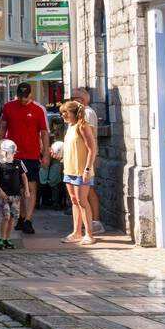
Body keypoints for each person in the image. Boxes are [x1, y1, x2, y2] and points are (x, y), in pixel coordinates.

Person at [0, 82, 48, 235]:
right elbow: (2, 127)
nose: (23, 99)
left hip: (31, 155)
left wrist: (45, 154)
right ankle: (22, 217)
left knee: (31, 188)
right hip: (12, 155)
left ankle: (28, 220)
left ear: (31, 94)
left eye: (26, 96)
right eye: (20, 96)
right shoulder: (8, 107)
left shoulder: (38, 110)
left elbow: (44, 133)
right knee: (18, 188)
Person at [60, 100, 98, 245]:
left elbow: (91, 149)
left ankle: (89, 234)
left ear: (74, 113)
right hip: (69, 169)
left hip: (82, 170)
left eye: (66, 113)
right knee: (74, 201)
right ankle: (76, 232)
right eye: (62, 113)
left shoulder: (83, 126)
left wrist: (88, 169)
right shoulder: (70, 126)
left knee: (83, 201)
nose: (63, 116)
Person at [70, 86, 104, 235]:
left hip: (86, 158)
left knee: (88, 191)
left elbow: (89, 139)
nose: (72, 101)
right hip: (81, 157)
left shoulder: (87, 113)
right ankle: (89, 223)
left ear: (82, 99)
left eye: (74, 98)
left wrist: (90, 161)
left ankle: (95, 222)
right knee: (86, 192)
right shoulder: (81, 113)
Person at [0, 139, 28, 250]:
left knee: (12, 218)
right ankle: (1, 238)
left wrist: (27, 190)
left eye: (14, 152)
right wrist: (0, 191)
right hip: (4, 196)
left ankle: (7, 239)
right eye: (12, 152)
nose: (14, 154)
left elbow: (24, 176)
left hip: (16, 196)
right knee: (6, 217)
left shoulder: (19, 163)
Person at [38, 142, 66, 209]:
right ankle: (40, 201)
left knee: (54, 184)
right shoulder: (45, 150)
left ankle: (55, 202)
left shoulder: (57, 149)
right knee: (42, 184)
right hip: (46, 166)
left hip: (55, 166)